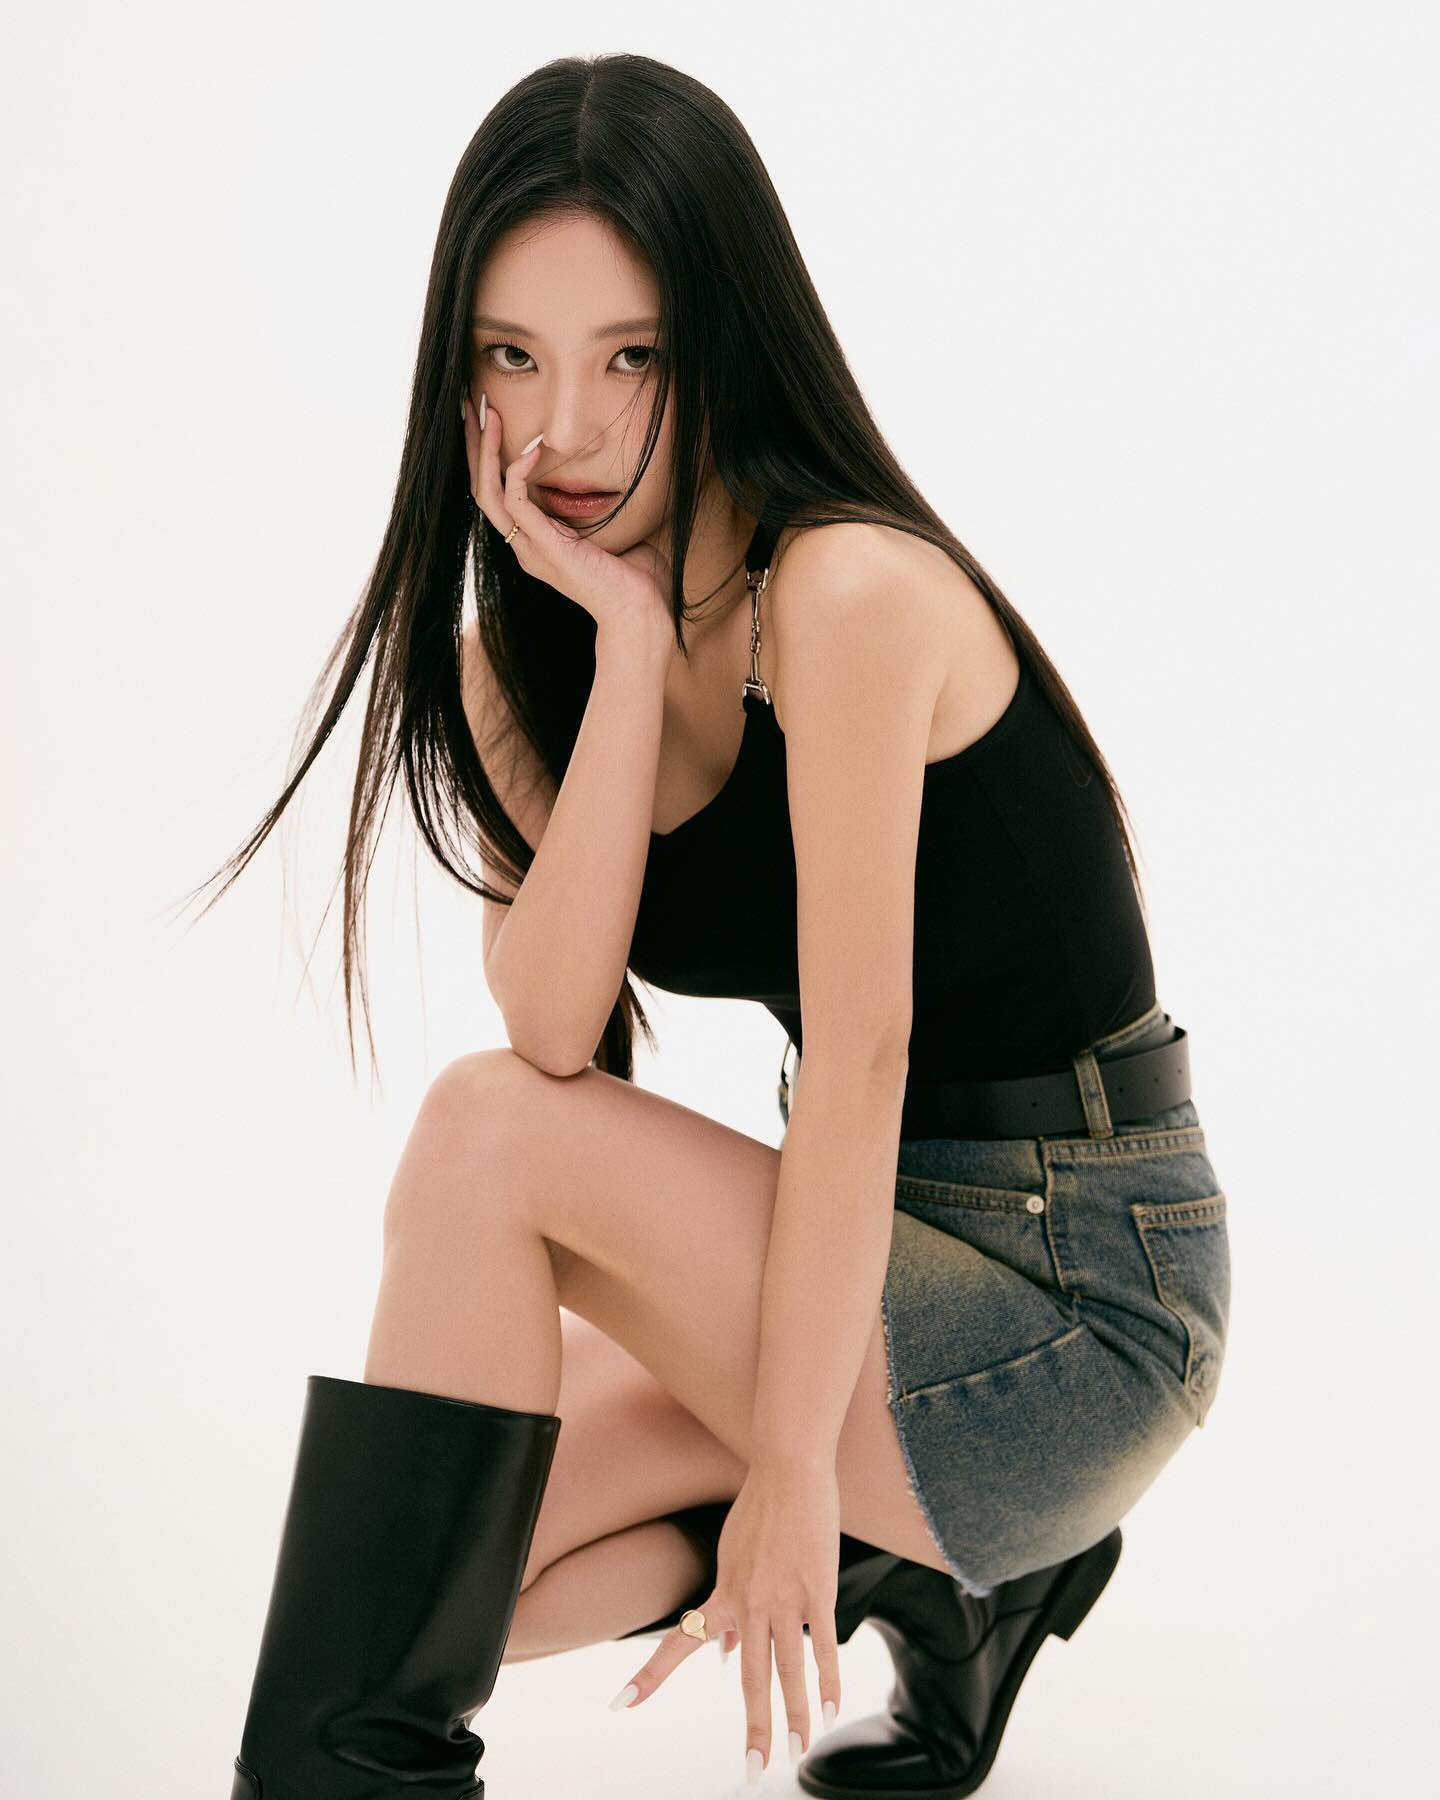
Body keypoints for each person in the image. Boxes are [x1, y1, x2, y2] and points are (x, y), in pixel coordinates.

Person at [194, 52, 1232, 1800]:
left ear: (725, 344)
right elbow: (553, 1027)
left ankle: (361, 1770)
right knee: (453, 1580)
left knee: (480, 1143)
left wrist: (795, 1480)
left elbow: (862, 1054)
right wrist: (614, 650)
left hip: (1082, 1300)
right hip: (866, 1266)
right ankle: (928, 1577)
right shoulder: (515, 666)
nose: (568, 430)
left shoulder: (847, 591)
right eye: (511, 357)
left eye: (634, 358)